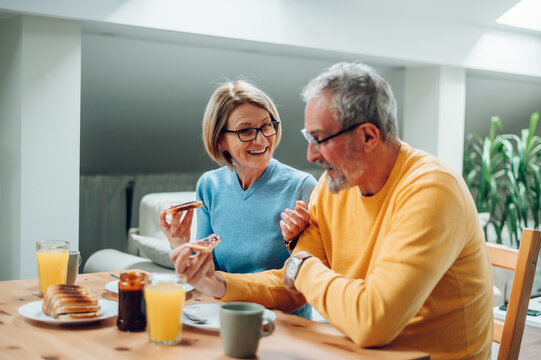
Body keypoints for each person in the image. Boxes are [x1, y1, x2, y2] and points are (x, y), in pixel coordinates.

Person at [170, 63, 493, 358]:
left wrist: (303, 266)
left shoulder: (431, 189)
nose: (311, 155)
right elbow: (290, 283)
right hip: (354, 351)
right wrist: (219, 284)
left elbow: (372, 320)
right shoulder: (332, 186)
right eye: (309, 137)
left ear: (368, 136)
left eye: (321, 139)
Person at [160, 80, 317, 318]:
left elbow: (308, 278)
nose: (262, 140)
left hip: (283, 324)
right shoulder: (210, 186)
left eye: (267, 126)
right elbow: (207, 274)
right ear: (220, 140)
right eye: (246, 131)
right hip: (222, 317)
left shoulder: (301, 187)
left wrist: (294, 243)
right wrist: (181, 245)